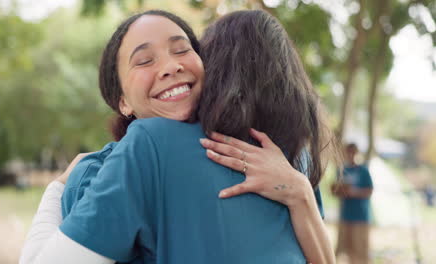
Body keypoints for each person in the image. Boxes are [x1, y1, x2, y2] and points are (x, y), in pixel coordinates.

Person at [20, 10, 336, 264]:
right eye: (144, 60)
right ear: (122, 101)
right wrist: (300, 191)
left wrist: (56, 186)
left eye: (182, 49)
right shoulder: (292, 157)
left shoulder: (284, 162)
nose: (170, 67)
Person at [332, 143, 373, 264]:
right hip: (345, 216)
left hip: (360, 216)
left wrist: (354, 192)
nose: (350, 155)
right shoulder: (341, 170)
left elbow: (369, 191)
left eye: (353, 152)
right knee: (343, 248)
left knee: (360, 250)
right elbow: (336, 191)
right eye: (348, 152)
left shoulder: (363, 170)